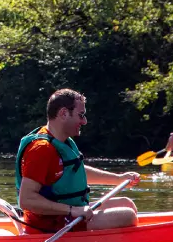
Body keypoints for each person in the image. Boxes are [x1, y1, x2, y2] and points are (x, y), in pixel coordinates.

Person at [15, 88, 139, 233]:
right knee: (128, 216)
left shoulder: (62, 141)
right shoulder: (41, 149)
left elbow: (74, 172)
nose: (84, 121)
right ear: (63, 113)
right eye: (81, 115)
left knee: (127, 203)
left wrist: (119, 178)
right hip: (50, 223)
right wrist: (72, 210)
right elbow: (26, 200)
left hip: (65, 214)